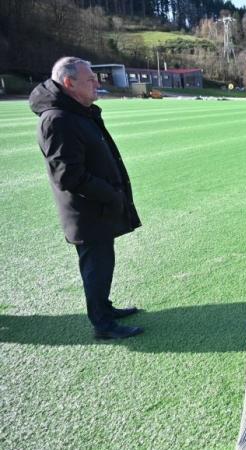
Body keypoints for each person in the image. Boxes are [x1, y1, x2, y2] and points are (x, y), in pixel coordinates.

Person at [29, 57, 144, 339]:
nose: (97, 84)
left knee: (103, 263)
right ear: (69, 83)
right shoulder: (58, 119)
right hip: (87, 212)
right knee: (95, 266)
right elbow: (68, 175)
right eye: (90, 80)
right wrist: (110, 194)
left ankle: (104, 308)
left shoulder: (78, 112)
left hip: (98, 209)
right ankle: (102, 324)